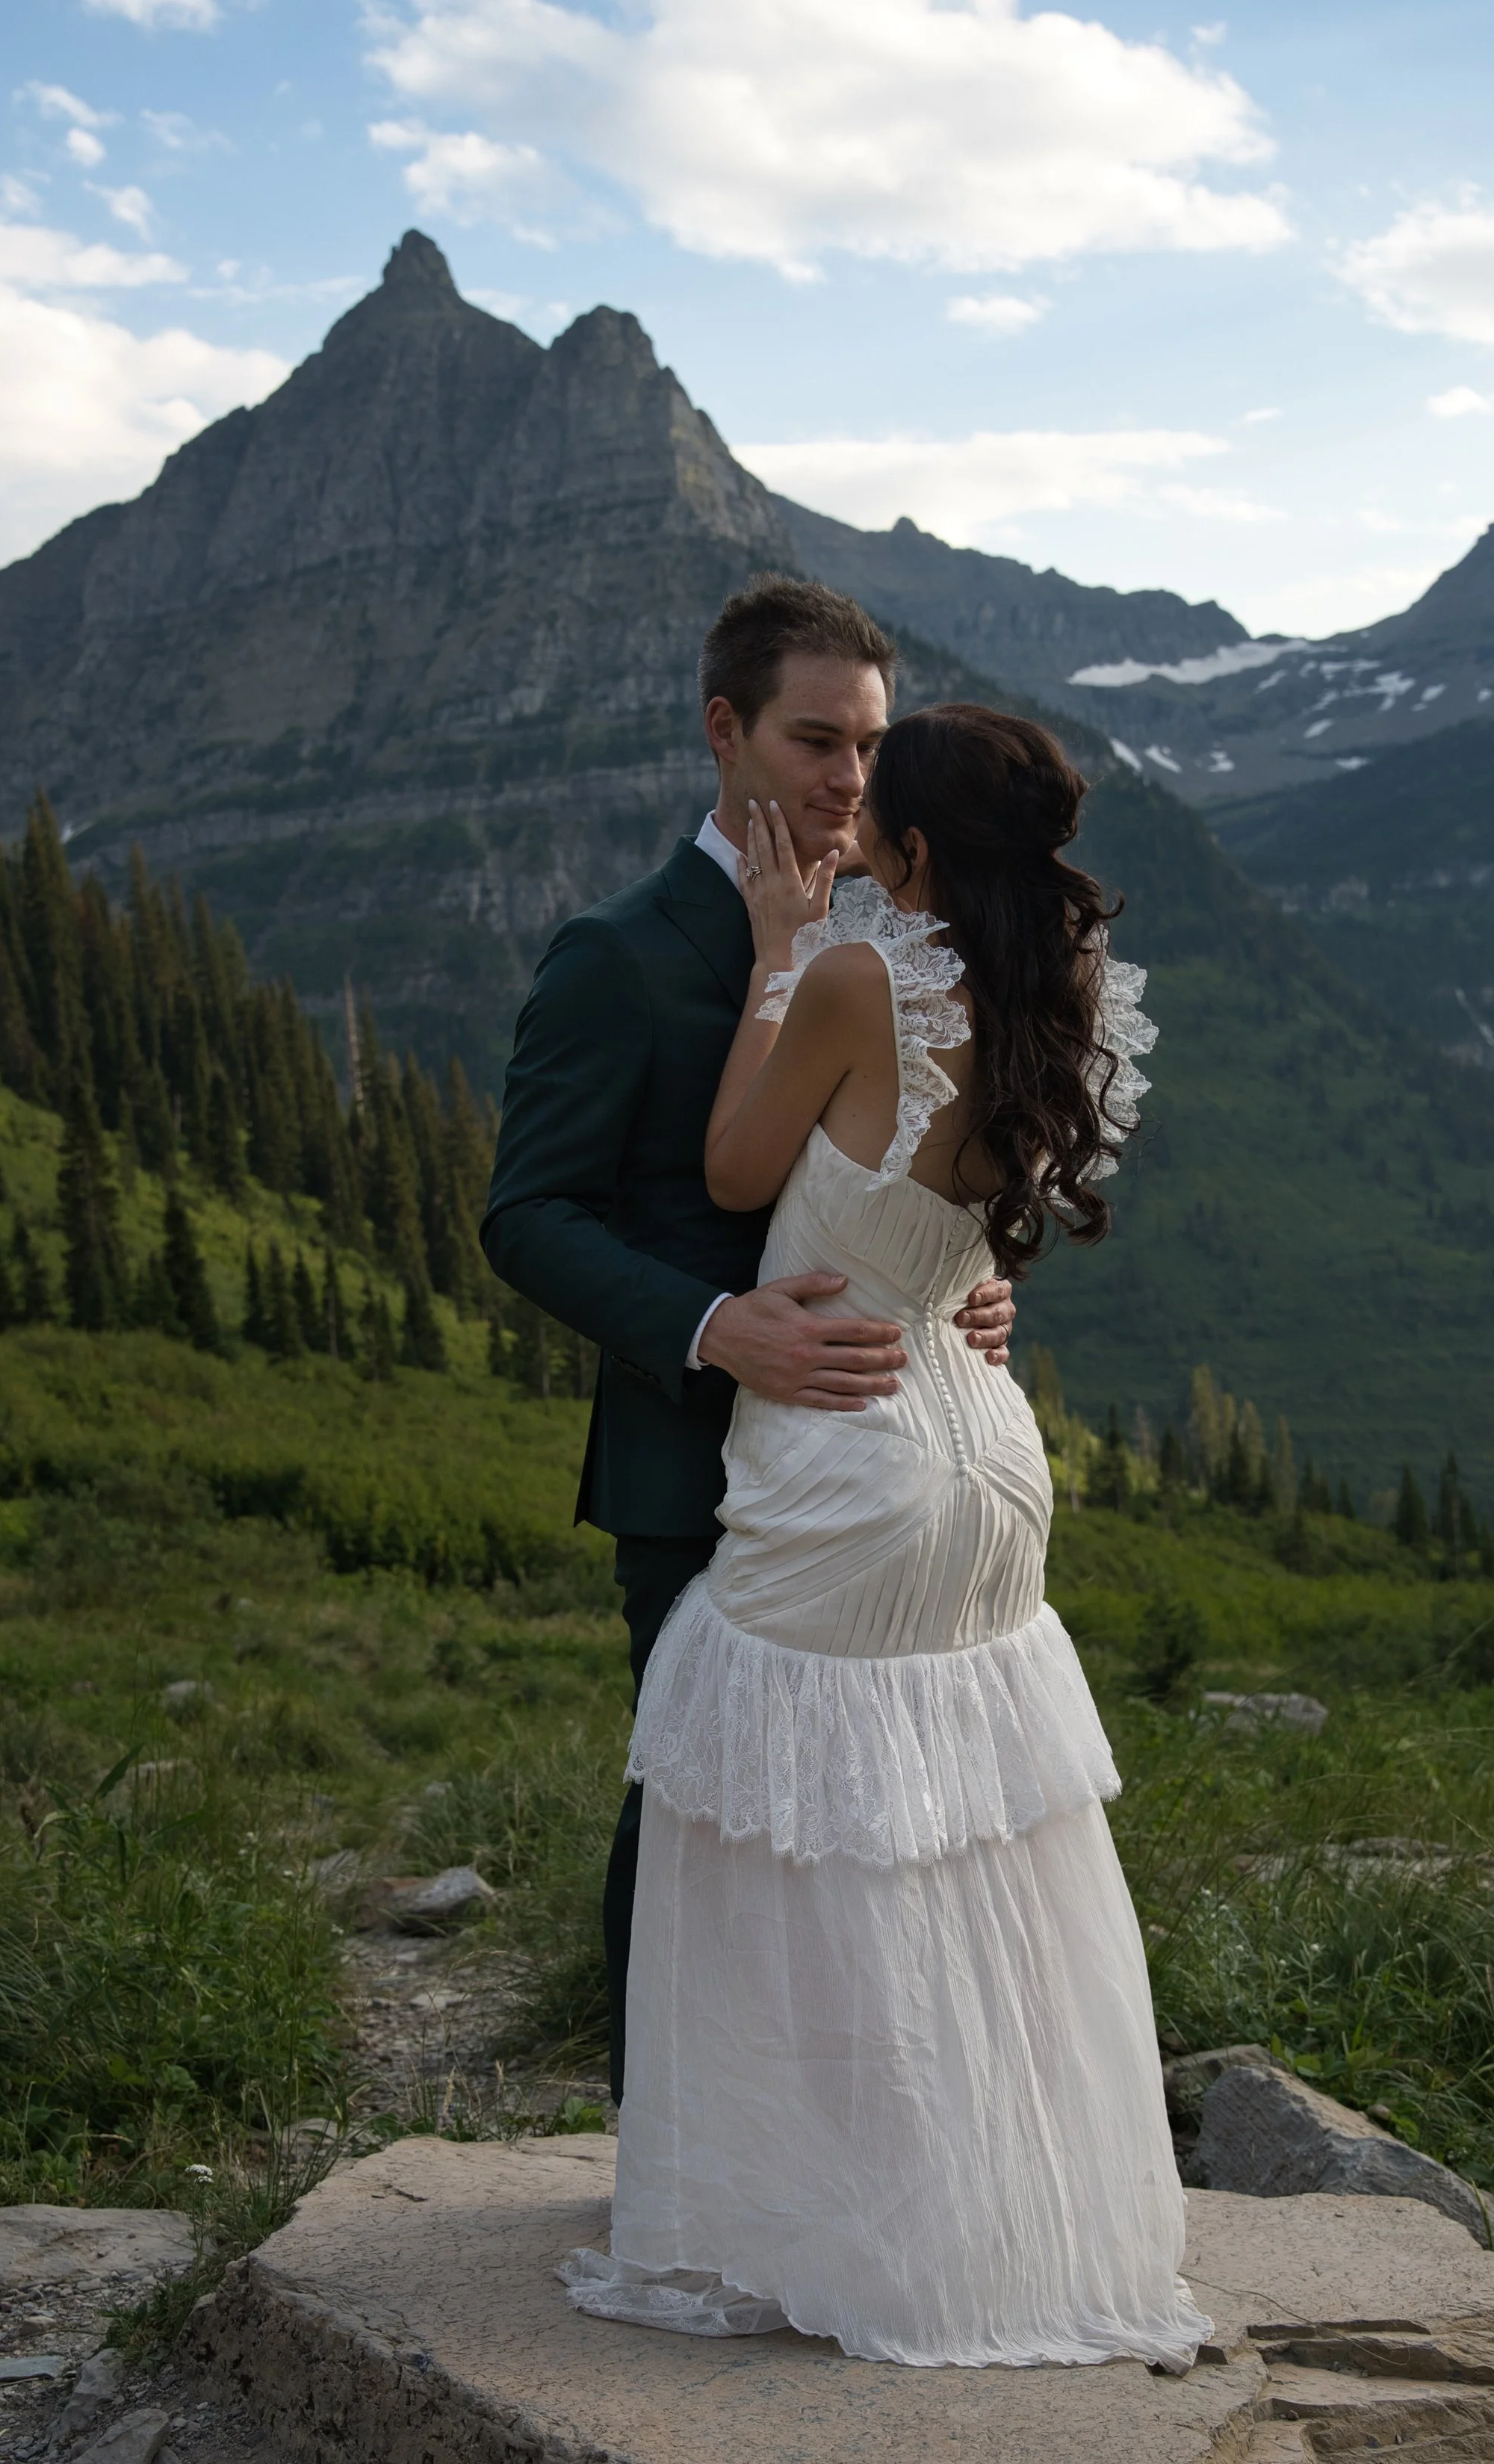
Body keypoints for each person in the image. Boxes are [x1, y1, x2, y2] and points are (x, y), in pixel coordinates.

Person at [554, 698, 1212, 2371]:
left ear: (909, 850)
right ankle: (987, 2195)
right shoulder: (1065, 997)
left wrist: (780, 954)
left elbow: (730, 1161)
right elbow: (961, 1226)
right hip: (985, 1457)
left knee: (785, 1814)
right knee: (965, 1825)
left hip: (846, 1453)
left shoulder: (859, 979)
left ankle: (825, 2221)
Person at [483, 577, 1016, 2108]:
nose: (847, 782)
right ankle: (667, 2168)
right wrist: (718, 1329)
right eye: (811, 743)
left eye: (866, 746)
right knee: (701, 1822)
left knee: (870, 1818)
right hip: (690, 1471)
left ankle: (831, 2149)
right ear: (723, 732)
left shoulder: (887, 944)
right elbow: (528, 1216)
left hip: (873, 1471)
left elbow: (931, 1164)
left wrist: (964, 1282)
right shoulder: (619, 955)